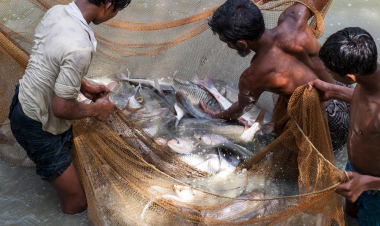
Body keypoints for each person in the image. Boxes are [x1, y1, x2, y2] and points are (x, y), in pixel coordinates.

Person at [8, 0, 131, 215]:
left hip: (21, 102)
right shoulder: (80, 46)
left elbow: (52, 60)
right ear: (109, 4)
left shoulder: (58, 12)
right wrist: (98, 110)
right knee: (78, 203)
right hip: (37, 126)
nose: (115, 16)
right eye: (118, 11)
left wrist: (83, 86)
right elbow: (61, 109)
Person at [200, 0, 351, 150]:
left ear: (241, 43)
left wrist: (215, 116)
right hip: (344, 92)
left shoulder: (253, 76)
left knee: (326, 156)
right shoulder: (294, 17)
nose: (228, 46)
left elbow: (240, 108)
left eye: (228, 42)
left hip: (323, 120)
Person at [308, 27, 380, 226]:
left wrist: (366, 183)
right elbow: (365, 101)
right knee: (351, 210)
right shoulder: (370, 74)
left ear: (351, 77)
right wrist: (334, 90)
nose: (328, 75)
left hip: (375, 187)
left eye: (331, 73)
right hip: (354, 168)